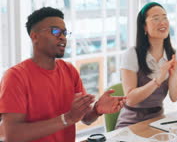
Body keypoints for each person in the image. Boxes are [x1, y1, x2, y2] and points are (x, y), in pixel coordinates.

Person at [0, 7, 126, 142]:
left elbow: (85, 118)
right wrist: (67, 118)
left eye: (64, 33)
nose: (62, 37)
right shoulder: (15, 77)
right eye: (55, 31)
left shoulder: (69, 70)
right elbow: (11, 135)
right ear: (34, 37)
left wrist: (97, 110)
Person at [116, 2, 177, 128]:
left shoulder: (173, 54)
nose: (162, 22)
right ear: (144, 27)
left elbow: (174, 97)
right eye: (156, 19)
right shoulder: (132, 54)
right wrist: (158, 79)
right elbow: (130, 99)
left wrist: (172, 75)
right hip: (131, 123)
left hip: (159, 122)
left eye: (165, 17)